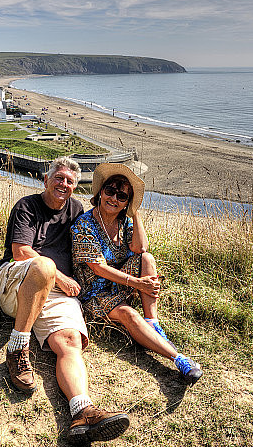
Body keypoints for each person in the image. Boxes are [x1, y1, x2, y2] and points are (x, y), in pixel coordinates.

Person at [0, 157, 130, 445]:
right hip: (16, 281)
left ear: (75, 187)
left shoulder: (76, 210)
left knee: (70, 341)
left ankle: (83, 412)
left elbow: (102, 235)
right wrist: (61, 277)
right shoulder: (27, 206)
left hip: (55, 292)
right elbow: (20, 251)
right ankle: (17, 348)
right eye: (59, 178)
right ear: (45, 179)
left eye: (70, 181)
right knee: (45, 266)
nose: (63, 184)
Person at [71, 163, 203, 385]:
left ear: (127, 203)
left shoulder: (124, 221)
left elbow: (140, 248)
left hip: (119, 284)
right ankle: (178, 359)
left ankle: (152, 322)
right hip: (94, 294)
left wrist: (135, 213)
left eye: (122, 196)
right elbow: (97, 268)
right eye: (110, 191)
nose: (114, 198)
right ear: (100, 192)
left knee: (147, 258)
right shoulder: (85, 224)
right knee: (130, 315)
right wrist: (137, 284)